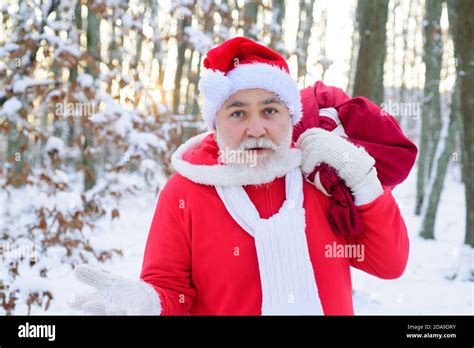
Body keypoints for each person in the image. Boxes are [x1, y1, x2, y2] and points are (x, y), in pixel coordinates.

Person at [71, 37, 409, 315]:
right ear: (215, 123)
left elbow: (388, 264)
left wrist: (363, 181)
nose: (256, 128)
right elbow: (172, 292)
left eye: (270, 110)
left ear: (290, 117)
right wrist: (149, 301)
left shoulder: (318, 178)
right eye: (237, 112)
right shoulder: (184, 191)